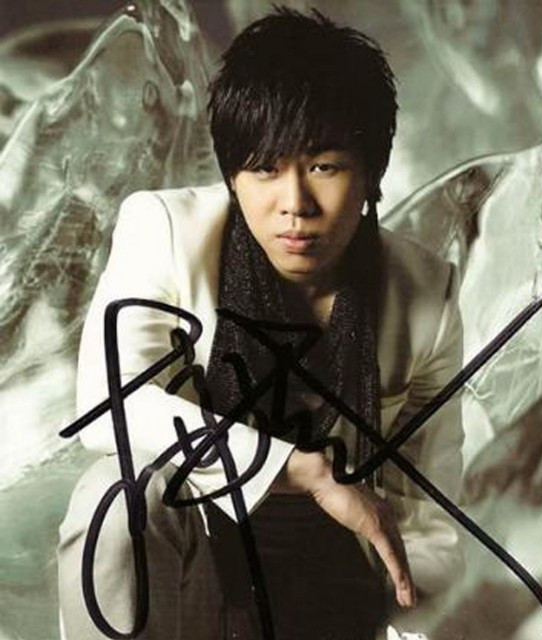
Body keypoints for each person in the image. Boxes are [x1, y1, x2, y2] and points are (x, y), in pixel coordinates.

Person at [57, 7, 465, 640]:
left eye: (325, 166)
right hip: (194, 578)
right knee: (118, 499)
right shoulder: (165, 231)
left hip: (331, 595)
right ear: (231, 175)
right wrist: (300, 470)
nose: (294, 205)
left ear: (371, 173)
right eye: (265, 169)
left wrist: (414, 619)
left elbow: (430, 515)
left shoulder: (425, 293)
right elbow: (111, 404)